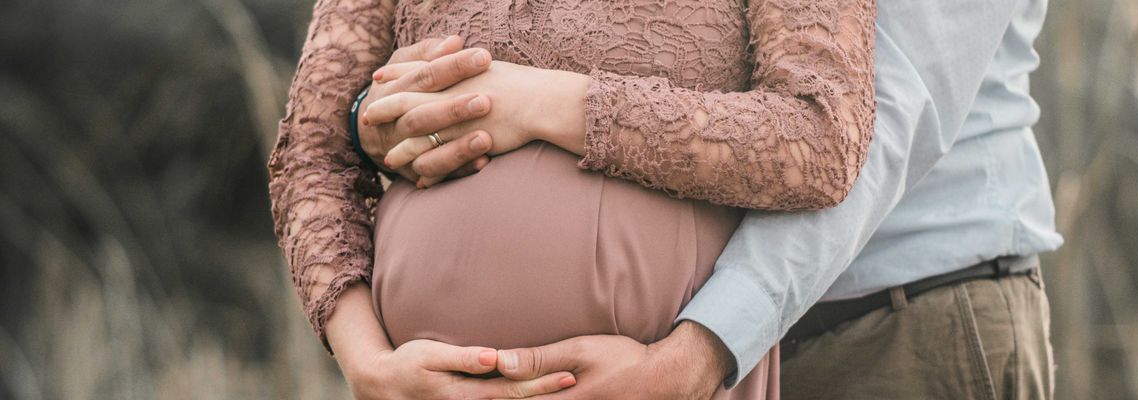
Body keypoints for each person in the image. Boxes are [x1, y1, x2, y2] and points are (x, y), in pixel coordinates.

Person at [347, 0, 1062, 398]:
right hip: (709, 333)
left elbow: (879, 121)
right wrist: (387, 117)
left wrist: (704, 349)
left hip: (896, 324)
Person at [268, 0, 876, 399]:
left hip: (650, 379)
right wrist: (367, 362)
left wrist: (548, 104)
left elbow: (820, 138)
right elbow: (310, 150)